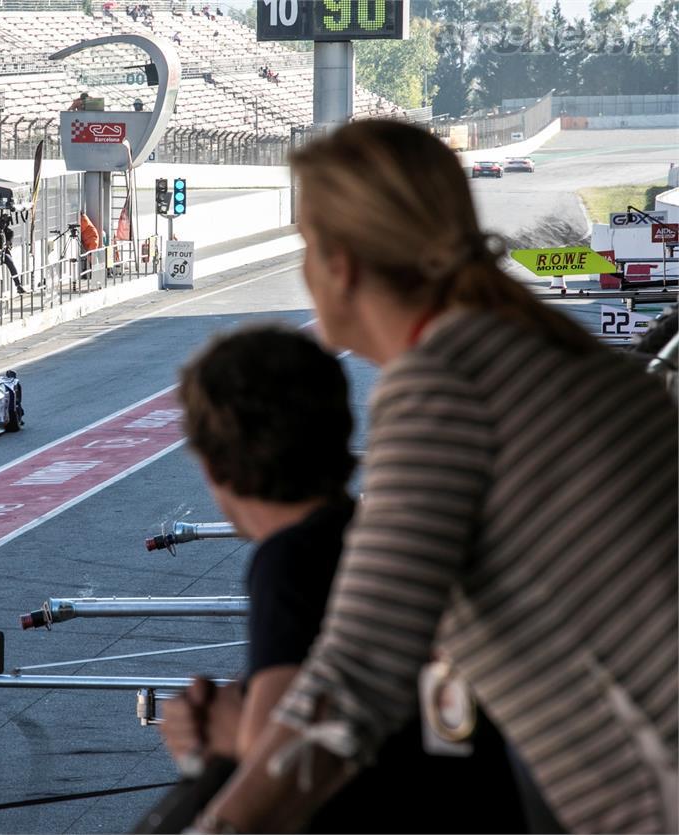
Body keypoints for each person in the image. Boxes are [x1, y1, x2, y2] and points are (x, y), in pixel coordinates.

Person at [189, 120, 679, 834]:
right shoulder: (540, 347)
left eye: (306, 248)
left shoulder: (443, 384)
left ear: (342, 264)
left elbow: (353, 681)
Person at [157, 326, 527, 834]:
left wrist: (217, 730)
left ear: (216, 467)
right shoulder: (378, 538)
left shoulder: (292, 559)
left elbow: (273, 751)